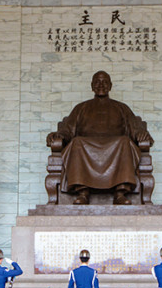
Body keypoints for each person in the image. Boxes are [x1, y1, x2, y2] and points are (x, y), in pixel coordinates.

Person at [46, 71, 153, 205]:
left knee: (125, 142)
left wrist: (141, 134)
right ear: (92, 86)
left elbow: (134, 129)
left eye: (104, 82)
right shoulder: (81, 108)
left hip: (116, 146)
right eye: (97, 82)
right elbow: (68, 130)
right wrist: (59, 134)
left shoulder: (122, 108)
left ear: (110, 85)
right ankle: (83, 192)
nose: (101, 85)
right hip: (85, 147)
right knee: (77, 142)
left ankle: (120, 193)